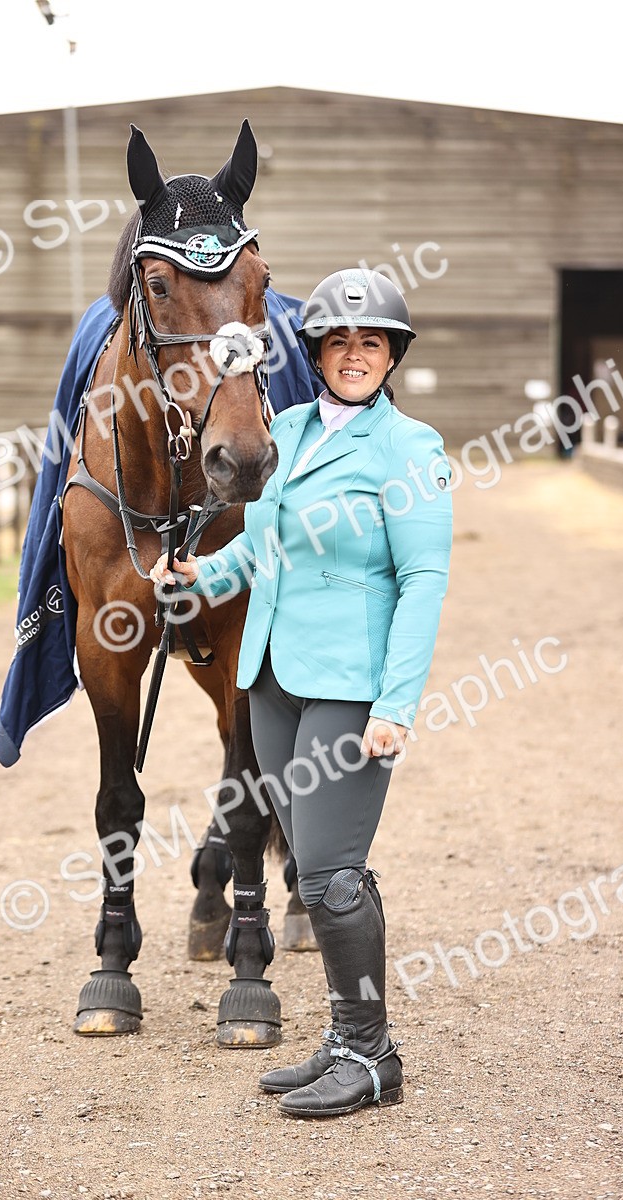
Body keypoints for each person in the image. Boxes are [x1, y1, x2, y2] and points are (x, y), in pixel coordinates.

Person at [151, 268, 453, 1118]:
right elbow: (260, 546)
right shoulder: (283, 428)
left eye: (371, 342)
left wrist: (397, 705)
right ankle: (347, 1038)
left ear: (391, 355)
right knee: (320, 867)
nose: (354, 354)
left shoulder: (410, 450)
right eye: (338, 341)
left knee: (328, 878)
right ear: (316, 351)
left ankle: (370, 1054)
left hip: (352, 689)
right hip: (272, 681)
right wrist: (201, 573)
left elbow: (424, 580)